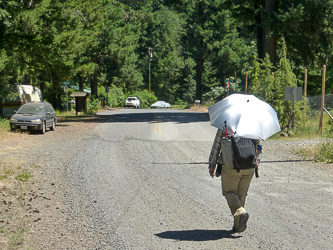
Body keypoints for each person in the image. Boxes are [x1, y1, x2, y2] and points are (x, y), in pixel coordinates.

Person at [208, 128, 259, 233]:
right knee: (242, 194)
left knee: (229, 192)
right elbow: (257, 146)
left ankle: (240, 214)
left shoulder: (226, 123)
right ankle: (237, 226)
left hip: (231, 166)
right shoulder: (253, 123)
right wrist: (256, 165)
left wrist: (212, 164)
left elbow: (217, 145)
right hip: (250, 165)